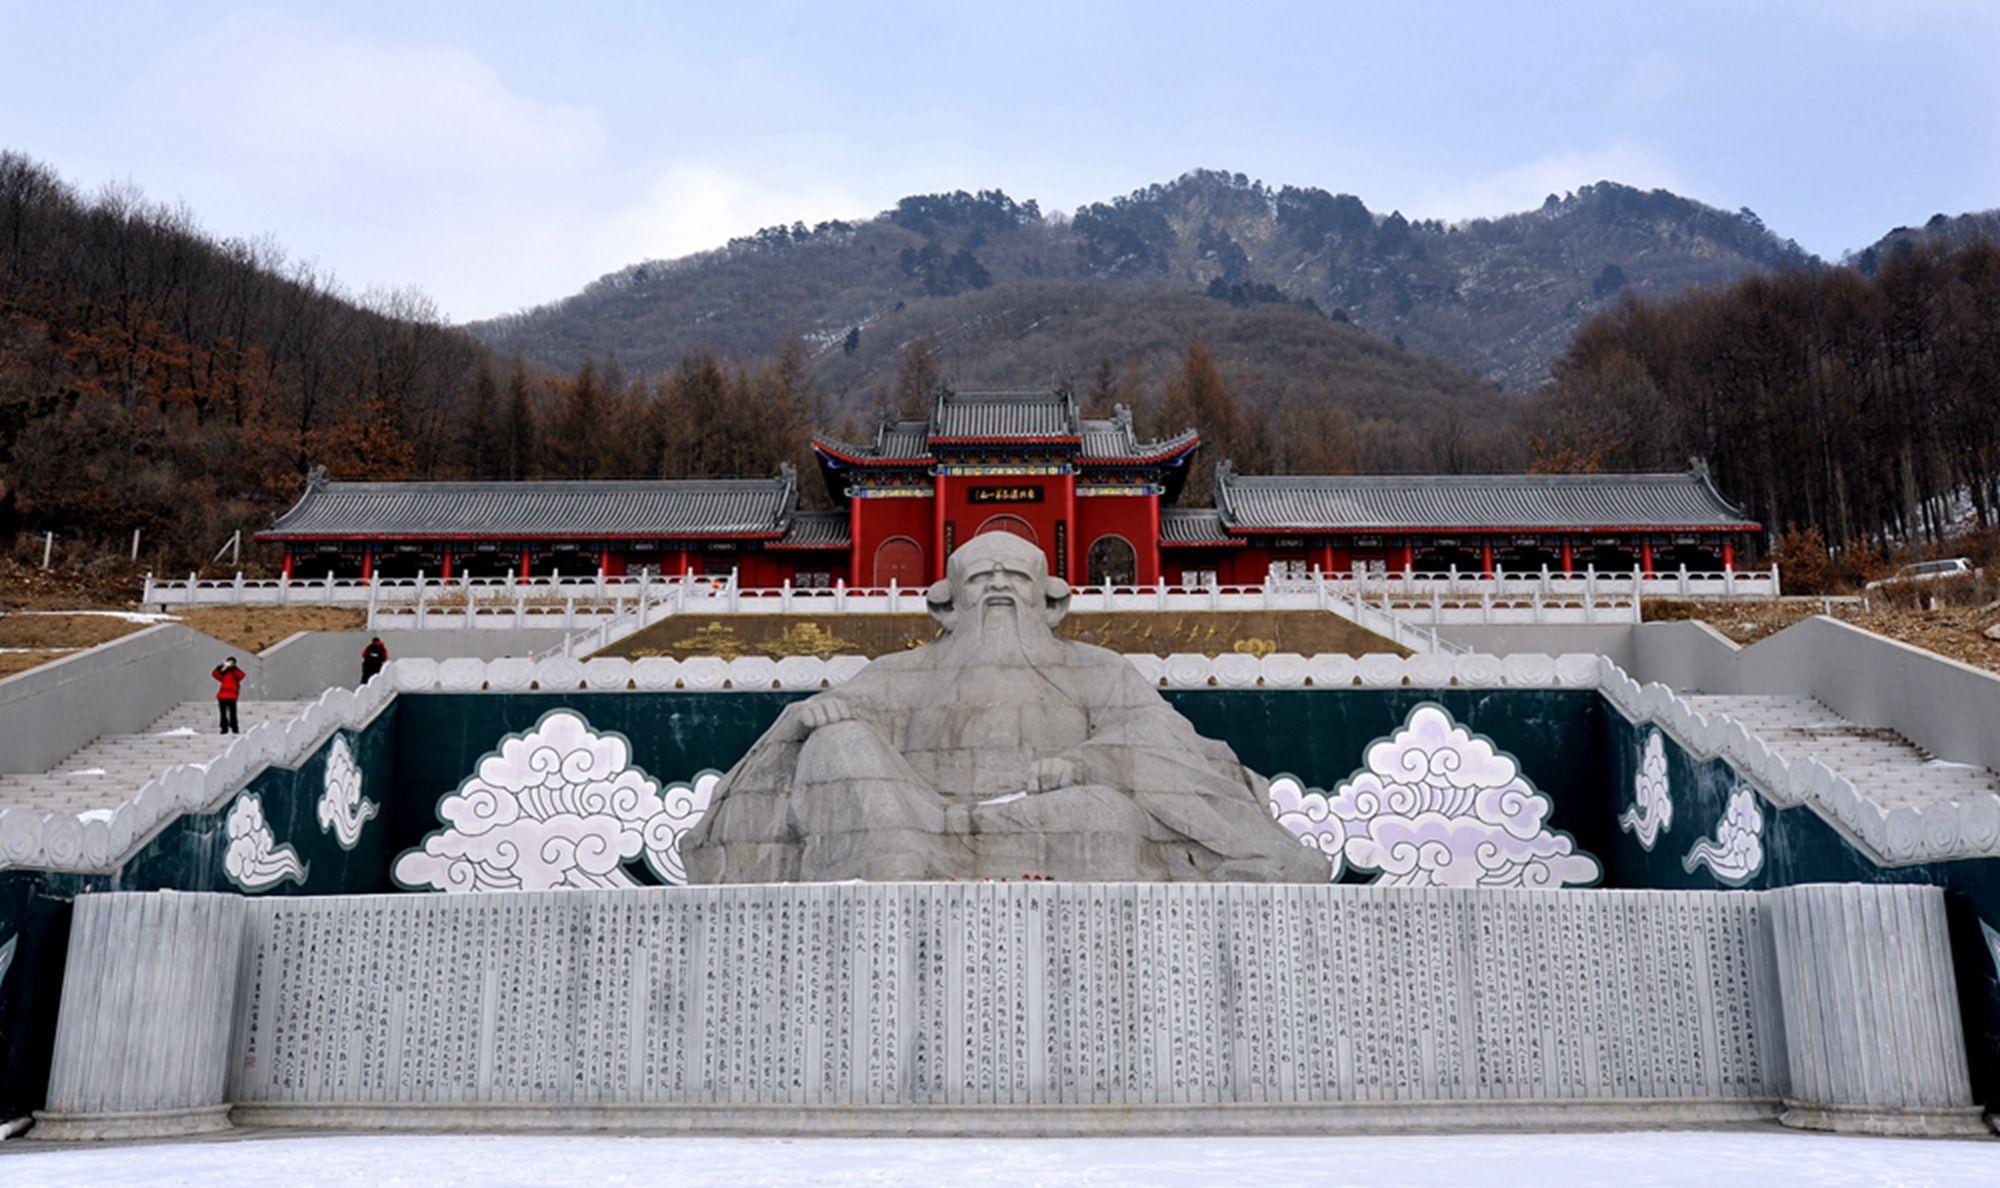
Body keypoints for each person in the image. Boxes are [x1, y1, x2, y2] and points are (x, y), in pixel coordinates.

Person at [683, 530, 1328, 884]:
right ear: (946, 603)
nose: (996, 586)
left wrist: (1085, 762)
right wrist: (808, 719)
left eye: (1014, 577)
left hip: (1045, 821)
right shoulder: (903, 673)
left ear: (1049, 601)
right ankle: (901, 873)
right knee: (834, 742)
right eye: (980, 578)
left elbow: (1159, 736)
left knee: (1104, 815)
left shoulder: (1094, 670)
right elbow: (830, 716)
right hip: (916, 823)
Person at [212, 657, 245, 734]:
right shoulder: (224, 673)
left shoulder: (235, 673)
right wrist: (220, 666)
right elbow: (214, 674)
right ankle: (224, 728)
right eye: (228, 662)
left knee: (232, 713)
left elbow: (242, 675)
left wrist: (234, 668)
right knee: (223, 714)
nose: (230, 663)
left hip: (232, 696)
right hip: (222, 696)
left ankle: (234, 728)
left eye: (231, 662)